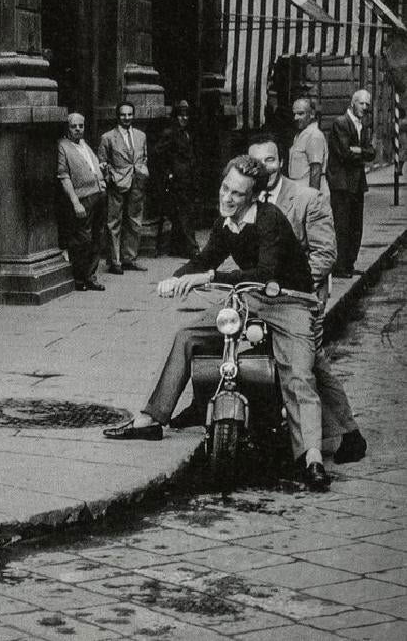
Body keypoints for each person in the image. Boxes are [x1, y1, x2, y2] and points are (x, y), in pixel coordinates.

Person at [103, 154, 330, 491]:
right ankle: (150, 418)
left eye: (237, 194)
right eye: (225, 188)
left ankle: (311, 457)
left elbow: (265, 271)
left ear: (253, 197)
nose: (227, 197)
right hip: (250, 299)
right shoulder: (226, 222)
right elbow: (205, 257)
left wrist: (207, 277)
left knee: (299, 375)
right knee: (187, 336)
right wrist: (177, 278)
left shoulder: (269, 219)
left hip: (290, 302)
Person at [247, 137, 366, 463]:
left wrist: (287, 287)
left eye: (270, 161)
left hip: (302, 295)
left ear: (281, 162)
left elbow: (325, 255)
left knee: (308, 361)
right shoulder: (247, 199)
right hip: (265, 296)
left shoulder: (306, 198)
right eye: (256, 162)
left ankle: (347, 434)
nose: (264, 168)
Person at [327, 89, 376, 277]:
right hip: (342, 184)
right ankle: (340, 267)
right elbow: (345, 154)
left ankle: (349, 264)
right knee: (342, 226)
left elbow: (372, 153)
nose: (364, 107)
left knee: (356, 226)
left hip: (356, 184)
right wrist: (361, 151)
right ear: (352, 103)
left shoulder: (362, 125)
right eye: (361, 103)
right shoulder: (341, 123)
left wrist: (359, 151)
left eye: (367, 105)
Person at [56, 113, 106, 291]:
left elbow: (92, 166)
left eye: (81, 126)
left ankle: (91, 276)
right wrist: (75, 202)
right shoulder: (63, 146)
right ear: (67, 128)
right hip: (83, 197)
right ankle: (79, 278)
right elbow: (63, 176)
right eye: (74, 126)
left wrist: (100, 175)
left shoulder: (84, 144)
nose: (78, 129)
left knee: (97, 238)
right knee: (82, 240)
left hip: (98, 195)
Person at [97, 102, 149, 274]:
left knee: (135, 220)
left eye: (129, 115)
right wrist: (111, 176)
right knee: (114, 222)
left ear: (133, 115)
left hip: (137, 182)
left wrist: (142, 171)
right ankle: (115, 261)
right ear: (117, 116)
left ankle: (129, 258)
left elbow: (144, 157)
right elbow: (102, 162)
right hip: (117, 183)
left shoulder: (141, 135)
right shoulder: (108, 137)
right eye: (123, 115)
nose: (126, 118)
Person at [155, 99, 198, 258]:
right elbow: (159, 154)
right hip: (177, 181)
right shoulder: (170, 133)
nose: (184, 118)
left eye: (187, 115)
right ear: (175, 116)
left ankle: (177, 248)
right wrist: (168, 172)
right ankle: (192, 248)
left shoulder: (187, 133)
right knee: (184, 213)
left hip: (188, 179)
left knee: (185, 213)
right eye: (181, 115)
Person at [287, 97, 329, 195]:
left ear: (311, 114)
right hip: (299, 190)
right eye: (294, 114)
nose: (296, 118)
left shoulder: (314, 135)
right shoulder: (301, 134)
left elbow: (315, 170)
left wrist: (313, 199)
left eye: (301, 114)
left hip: (308, 191)